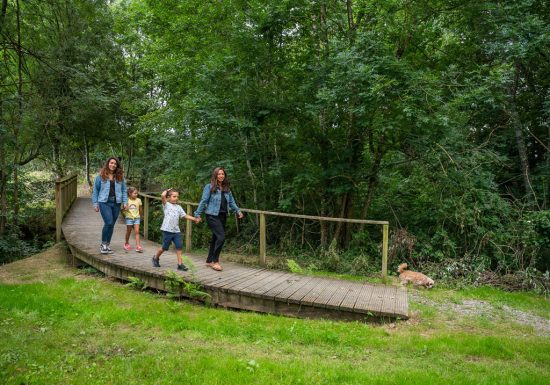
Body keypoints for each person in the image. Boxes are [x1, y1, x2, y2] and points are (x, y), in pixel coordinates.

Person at [194, 167, 244, 271]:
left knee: (215, 238)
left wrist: (238, 211)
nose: (221, 176)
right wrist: (197, 214)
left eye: (223, 174)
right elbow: (203, 201)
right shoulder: (209, 187)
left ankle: (208, 260)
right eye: (219, 174)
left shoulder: (226, 188)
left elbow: (231, 202)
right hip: (212, 215)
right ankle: (215, 261)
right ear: (215, 175)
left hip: (223, 215)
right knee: (221, 237)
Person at [152, 188, 200, 271]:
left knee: (179, 246)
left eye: (177, 196)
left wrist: (194, 219)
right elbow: (162, 195)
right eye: (174, 196)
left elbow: (185, 215)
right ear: (168, 197)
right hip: (167, 230)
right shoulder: (166, 205)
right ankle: (155, 258)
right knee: (164, 247)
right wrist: (167, 190)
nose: (176, 198)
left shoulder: (178, 207)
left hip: (176, 231)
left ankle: (180, 264)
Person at [92, 157, 128, 254]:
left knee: (111, 224)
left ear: (117, 166)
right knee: (108, 222)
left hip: (116, 203)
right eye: (111, 163)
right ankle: (103, 244)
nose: (113, 165)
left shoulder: (120, 177)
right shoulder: (100, 176)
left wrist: (125, 202)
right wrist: (95, 203)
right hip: (104, 202)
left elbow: (124, 190)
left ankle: (107, 245)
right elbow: (95, 190)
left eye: (115, 164)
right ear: (108, 163)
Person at [122, 186, 143, 252]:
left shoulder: (138, 200)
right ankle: (126, 243)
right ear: (130, 193)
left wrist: (141, 216)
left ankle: (138, 246)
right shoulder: (127, 200)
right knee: (129, 231)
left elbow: (140, 209)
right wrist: (125, 208)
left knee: (137, 232)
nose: (136, 194)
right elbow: (122, 210)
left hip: (137, 217)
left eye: (137, 193)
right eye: (135, 193)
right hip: (129, 218)